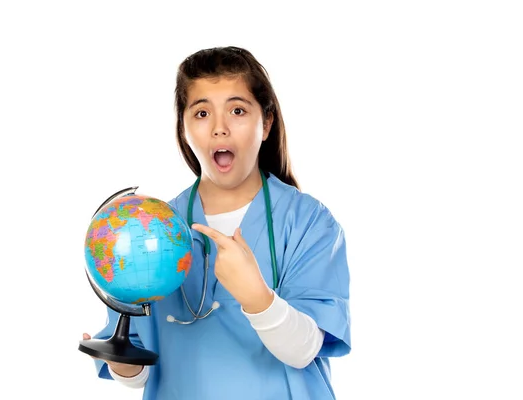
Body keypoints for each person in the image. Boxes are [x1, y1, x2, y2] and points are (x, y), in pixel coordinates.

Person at [82, 46, 351, 399]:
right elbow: (141, 374)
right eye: (202, 113)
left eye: (237, 110)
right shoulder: (150, 228)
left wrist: (257, 297)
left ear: (266, 123)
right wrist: (121, 362)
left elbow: (303, 351)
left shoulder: (309, 223)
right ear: (184, 127)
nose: (219, 129)